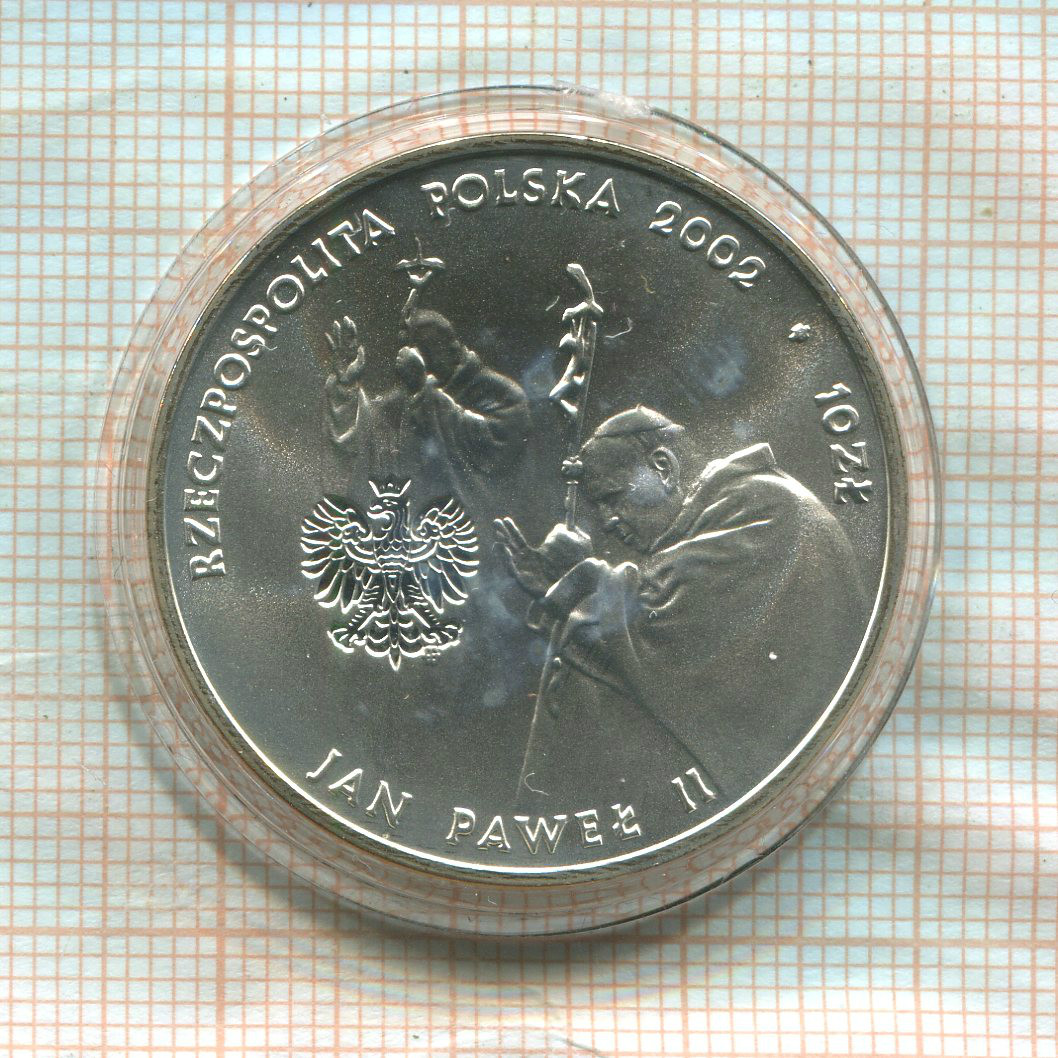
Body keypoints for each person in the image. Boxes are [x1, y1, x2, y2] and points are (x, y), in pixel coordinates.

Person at [494, 406, 868, 811]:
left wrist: (576, 580)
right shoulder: (733, 511)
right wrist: (564, 586)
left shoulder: (767, 509)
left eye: (612, 498)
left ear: (663, 467)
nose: (606, 521)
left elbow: (665, 633)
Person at [325, 309, 530, 486]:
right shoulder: (407, 397)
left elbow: (491, 457)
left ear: (453, 348)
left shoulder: (503, 395)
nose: (410, 361)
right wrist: (345, 386)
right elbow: (362, 438)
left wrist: (424, 392)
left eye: (424, 352)